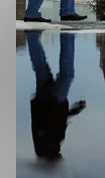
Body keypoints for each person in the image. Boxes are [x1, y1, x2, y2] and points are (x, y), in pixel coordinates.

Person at [27, 31, 86, 161]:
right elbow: (62, 120)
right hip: (42, 100)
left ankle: (67, 37)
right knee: (41, 67)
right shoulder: (46, 139)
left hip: (54, 100)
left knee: (67, 75)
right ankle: (31, 37)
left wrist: (53, 99)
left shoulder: (52, 140)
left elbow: (58, 120)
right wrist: (77, 109)